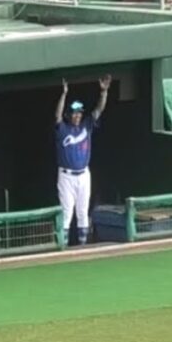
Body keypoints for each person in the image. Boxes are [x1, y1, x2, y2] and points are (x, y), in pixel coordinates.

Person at [55, 74, 111, 247]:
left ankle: (82, 248)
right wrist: (64, 94)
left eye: (79, 112)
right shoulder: (63, 129)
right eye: (74, 112)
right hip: (66, 176)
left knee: (82, 212)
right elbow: (57, 116)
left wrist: (104, 92)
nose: (77, 115)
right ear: (69, 114)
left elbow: (99, 110)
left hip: (84, 174)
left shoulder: (87, 125)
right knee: (66, 214)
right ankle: (63, 249)